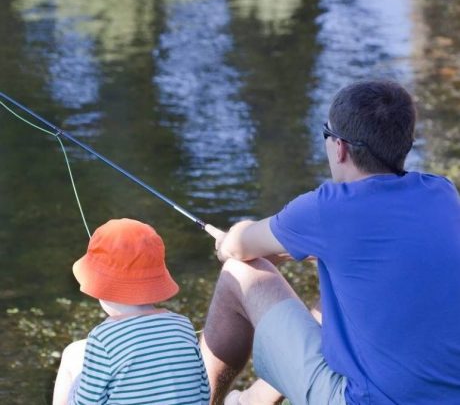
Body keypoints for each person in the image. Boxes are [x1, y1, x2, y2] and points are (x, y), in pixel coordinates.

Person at [201, 80, 460, 405]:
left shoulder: (325, 208)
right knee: (336, 297)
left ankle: (200, 400)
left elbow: (238, 247)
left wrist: (229, 239)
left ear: (339, 147)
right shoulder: (442, 194)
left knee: (239, 274)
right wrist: (301, 251)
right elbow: (378, 253)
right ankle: (250, 401)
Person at [53, 218, 210, 405]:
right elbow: (204, 392)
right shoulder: (182, 325)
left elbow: (87, 402)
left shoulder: (102, 338)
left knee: (72, 353)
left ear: (99, 286)